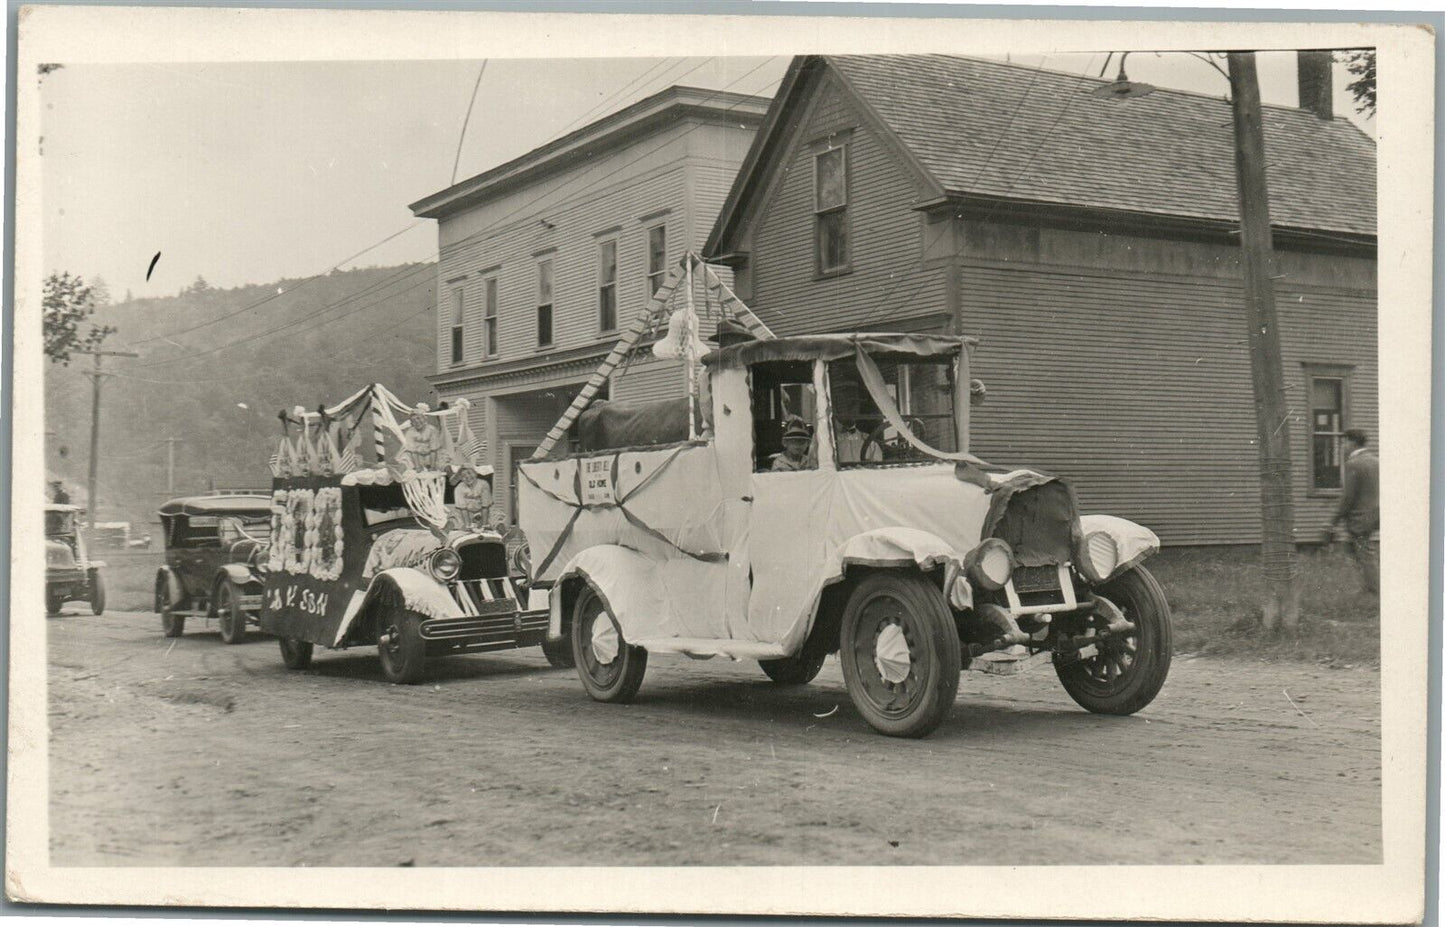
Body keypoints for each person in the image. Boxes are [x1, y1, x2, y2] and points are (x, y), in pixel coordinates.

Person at [1326, 428, 1379, 594]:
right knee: (1356, 550)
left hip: (1360, 518)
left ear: (1352, 443)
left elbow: (1348, 497)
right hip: (1375, 515)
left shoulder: (1353, 464)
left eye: (1344, 442)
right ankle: (1369, 586)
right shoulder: (1376, 461)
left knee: (1364, 554)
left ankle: (1375, 590)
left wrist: (1333, 522)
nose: (1343, 446)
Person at [402, 403, 445, 471]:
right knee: (405, 456)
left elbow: (433, 450)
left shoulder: (432, 430)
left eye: (418, 418)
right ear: (411, 423)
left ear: (425, 419)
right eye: (413, 421)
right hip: (417, 457)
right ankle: (399, 471)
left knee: (441, 457)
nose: (417, 422)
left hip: (431, 455)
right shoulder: (410, 432)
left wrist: (432, 466)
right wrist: (417, 466)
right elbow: (413, 451)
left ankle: (449, 472)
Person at [450, 465, 493, 530]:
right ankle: (444, 532)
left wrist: (484, 525)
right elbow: (463, 509)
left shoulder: (484, 484)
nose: (467, 477)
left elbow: (485, 506)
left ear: (475, 473)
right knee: (454, 515)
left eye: (469, 473)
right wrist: (468, 526)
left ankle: (504, 533)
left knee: (494, 514)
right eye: (463, 476)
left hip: (482, 512)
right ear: (461, 479)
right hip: (467, 513)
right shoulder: (459, 488)